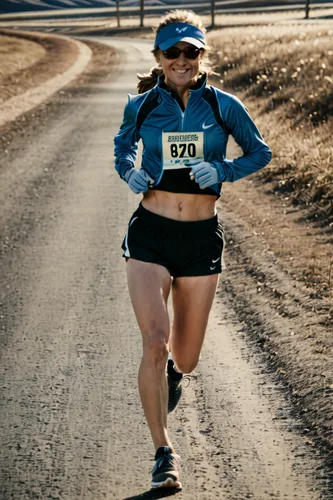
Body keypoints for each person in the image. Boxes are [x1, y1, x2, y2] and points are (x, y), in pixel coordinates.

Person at [114, 9, 272, 491]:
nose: (182, 59)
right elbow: (122, 148)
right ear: (159, 57)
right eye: (172, 52)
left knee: (185, 357)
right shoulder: (141, 106)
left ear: (203, 55)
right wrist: (131, 172)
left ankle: (172, 374)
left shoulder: (224, 106)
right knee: (154, 340)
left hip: (201, 239)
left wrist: (222, 172)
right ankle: (164, 453)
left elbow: (259, 152)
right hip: (151, 234)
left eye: (191, 51)